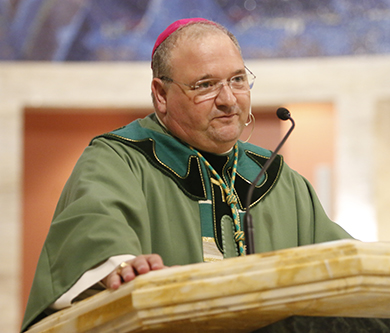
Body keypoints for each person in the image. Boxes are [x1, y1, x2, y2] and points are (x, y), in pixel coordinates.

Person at [21, 18, 352, 332]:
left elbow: (348, 272)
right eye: (205, 85)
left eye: (237, 80)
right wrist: (121, 269)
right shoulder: (119, 161)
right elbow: (93, 237)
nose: (228, 100)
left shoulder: (277, 178)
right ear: (161, 95)